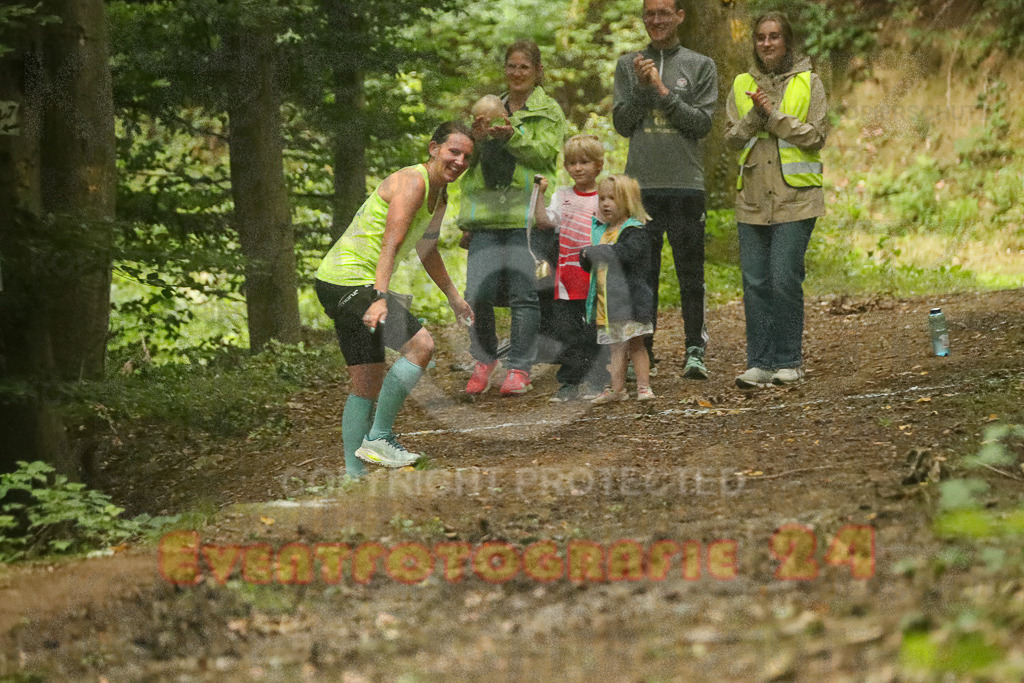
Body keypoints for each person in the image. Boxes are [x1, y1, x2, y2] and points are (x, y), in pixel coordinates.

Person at [314, 122, 475, 476]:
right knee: (421, 346)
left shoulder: (440, 195)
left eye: (466, 156)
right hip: (351, 281)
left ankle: (354, 478)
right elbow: (391, 242)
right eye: (453, 151)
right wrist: (381, 298)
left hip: (337, 282)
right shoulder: (412, 182)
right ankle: (379, 437)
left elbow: (426, 247)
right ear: (434, 148)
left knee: (366, 383)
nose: (460, 161)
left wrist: (453, 297)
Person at [612, 0, 717, 380]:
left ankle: (695, 351)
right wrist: (641, 89)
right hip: (640, 189)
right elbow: (622, 124)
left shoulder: (701, 64)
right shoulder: (628, 64)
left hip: (686, 186)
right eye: (650, 14)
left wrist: (659, 88)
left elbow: (700, 125)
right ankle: (646, 352)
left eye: (663, 13)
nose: (656, 20)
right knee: (642, 274)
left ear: (679, 16)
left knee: (690, 272)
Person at [459, 39, 569, 397]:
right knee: (477, 292)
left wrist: (512, 136)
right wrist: (474, 139)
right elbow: (465, 163)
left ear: (538, 72)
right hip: (487, 216)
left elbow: (545, 155)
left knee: (524, 294)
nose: (517, 73)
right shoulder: (487, 107)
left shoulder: (549, 111)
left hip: (526, 216)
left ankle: (519, 368)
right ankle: (484, 358)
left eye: (524, 67)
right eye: (511, 66)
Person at [725, 12, 827, 389]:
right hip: (752, 197)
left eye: (774, 37)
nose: (766, 44)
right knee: (755, 282)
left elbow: (816, 135)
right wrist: (755, 115)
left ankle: (789, 361)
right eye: (760, 38)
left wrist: (773, 116)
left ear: (787, 41)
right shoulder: (740, 84)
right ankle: (760, 363)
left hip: (797, 198)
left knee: (784, 277)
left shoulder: (809, 82)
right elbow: (732, 138)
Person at [534, 134, 609, 402]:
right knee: (566, 331)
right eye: (572, 163)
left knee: (595, 329)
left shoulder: (605, 195)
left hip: (596, 277)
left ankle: (599, 381)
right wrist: (539, 195)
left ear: (598, 165)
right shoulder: (562, 195)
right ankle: (569, 383)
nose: (578, 168)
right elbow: (544, 223)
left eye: (585, 162)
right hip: (566, 277)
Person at [580, 175, 656, 404]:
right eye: (602, 198)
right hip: (608, 305)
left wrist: (595, 252)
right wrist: (585, 255)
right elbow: (593, 262)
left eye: (612, 198)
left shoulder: (635, 231)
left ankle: (644, 387)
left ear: (628, 201)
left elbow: (624, 254)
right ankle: (617, 389)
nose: (605, 203)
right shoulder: (602, 231)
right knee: (615, 349)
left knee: (636, 345)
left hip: (631, 304)